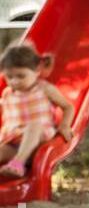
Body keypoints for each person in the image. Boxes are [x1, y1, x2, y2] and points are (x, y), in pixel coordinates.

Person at [0, 42, 74, 179]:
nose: (15, 81)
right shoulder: (7, 93)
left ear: (36, 71)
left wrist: (64, 125)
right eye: (9, 77)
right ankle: (12, 166)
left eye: (21, 76)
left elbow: (68, 107)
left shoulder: (44, 89)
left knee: (33, 126)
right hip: (13, 144)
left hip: (38, 145)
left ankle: (18, 164)